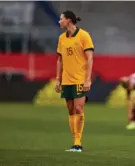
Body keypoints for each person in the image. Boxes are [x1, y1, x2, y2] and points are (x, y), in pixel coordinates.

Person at [55, 10, 94, 152]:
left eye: (61, 19)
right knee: (70, 110)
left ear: (69, 20)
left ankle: (78, 143)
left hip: (80, 79)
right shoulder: (61, 38)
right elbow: (59, 60)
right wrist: (58, 79)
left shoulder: (84, 35)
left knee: (79, 108)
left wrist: (87, 80)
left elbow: (90, 58)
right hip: (66, 80)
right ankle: (74, 142)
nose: (59, 21)